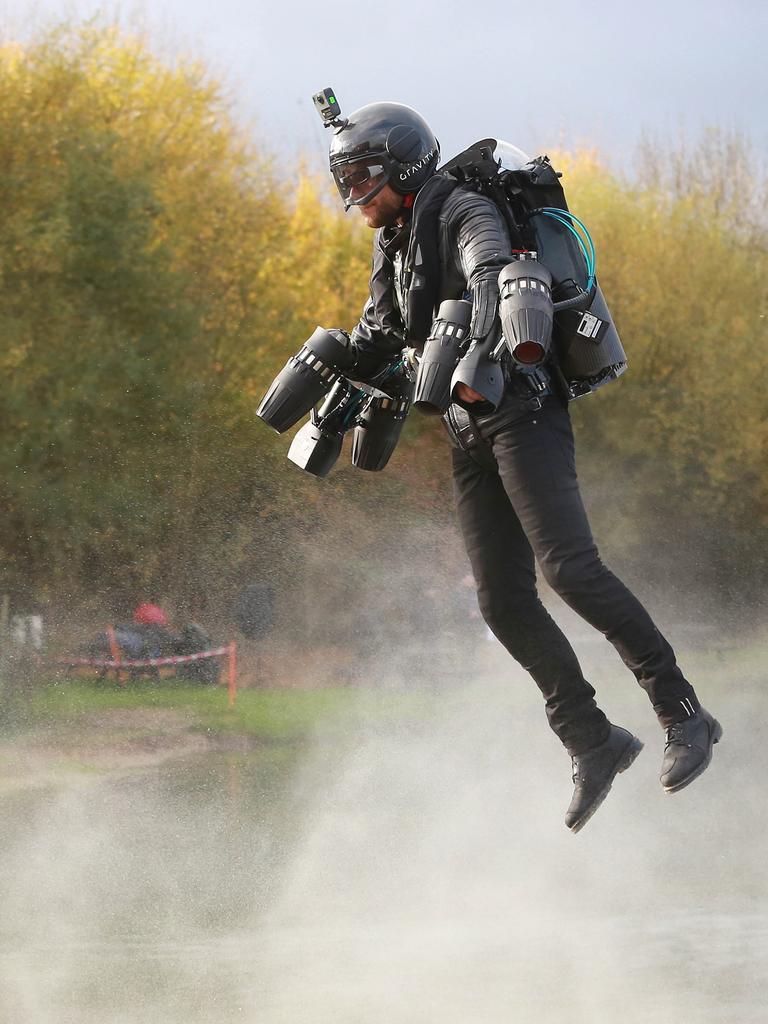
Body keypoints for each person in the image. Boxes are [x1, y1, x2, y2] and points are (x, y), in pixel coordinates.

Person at [320, 101, 722, 831]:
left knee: (570, 568)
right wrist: (329, 362)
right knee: (502, 601)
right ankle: (594, 741)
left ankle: (684, 713)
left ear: (403, 169)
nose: (354, 196)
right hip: (467, 427)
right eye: (345, 181)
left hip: (522, 409)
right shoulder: (397, 239)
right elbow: (381, 332)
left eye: (361, 179)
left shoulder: (463, 208)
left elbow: (492, 271)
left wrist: (472, 321)